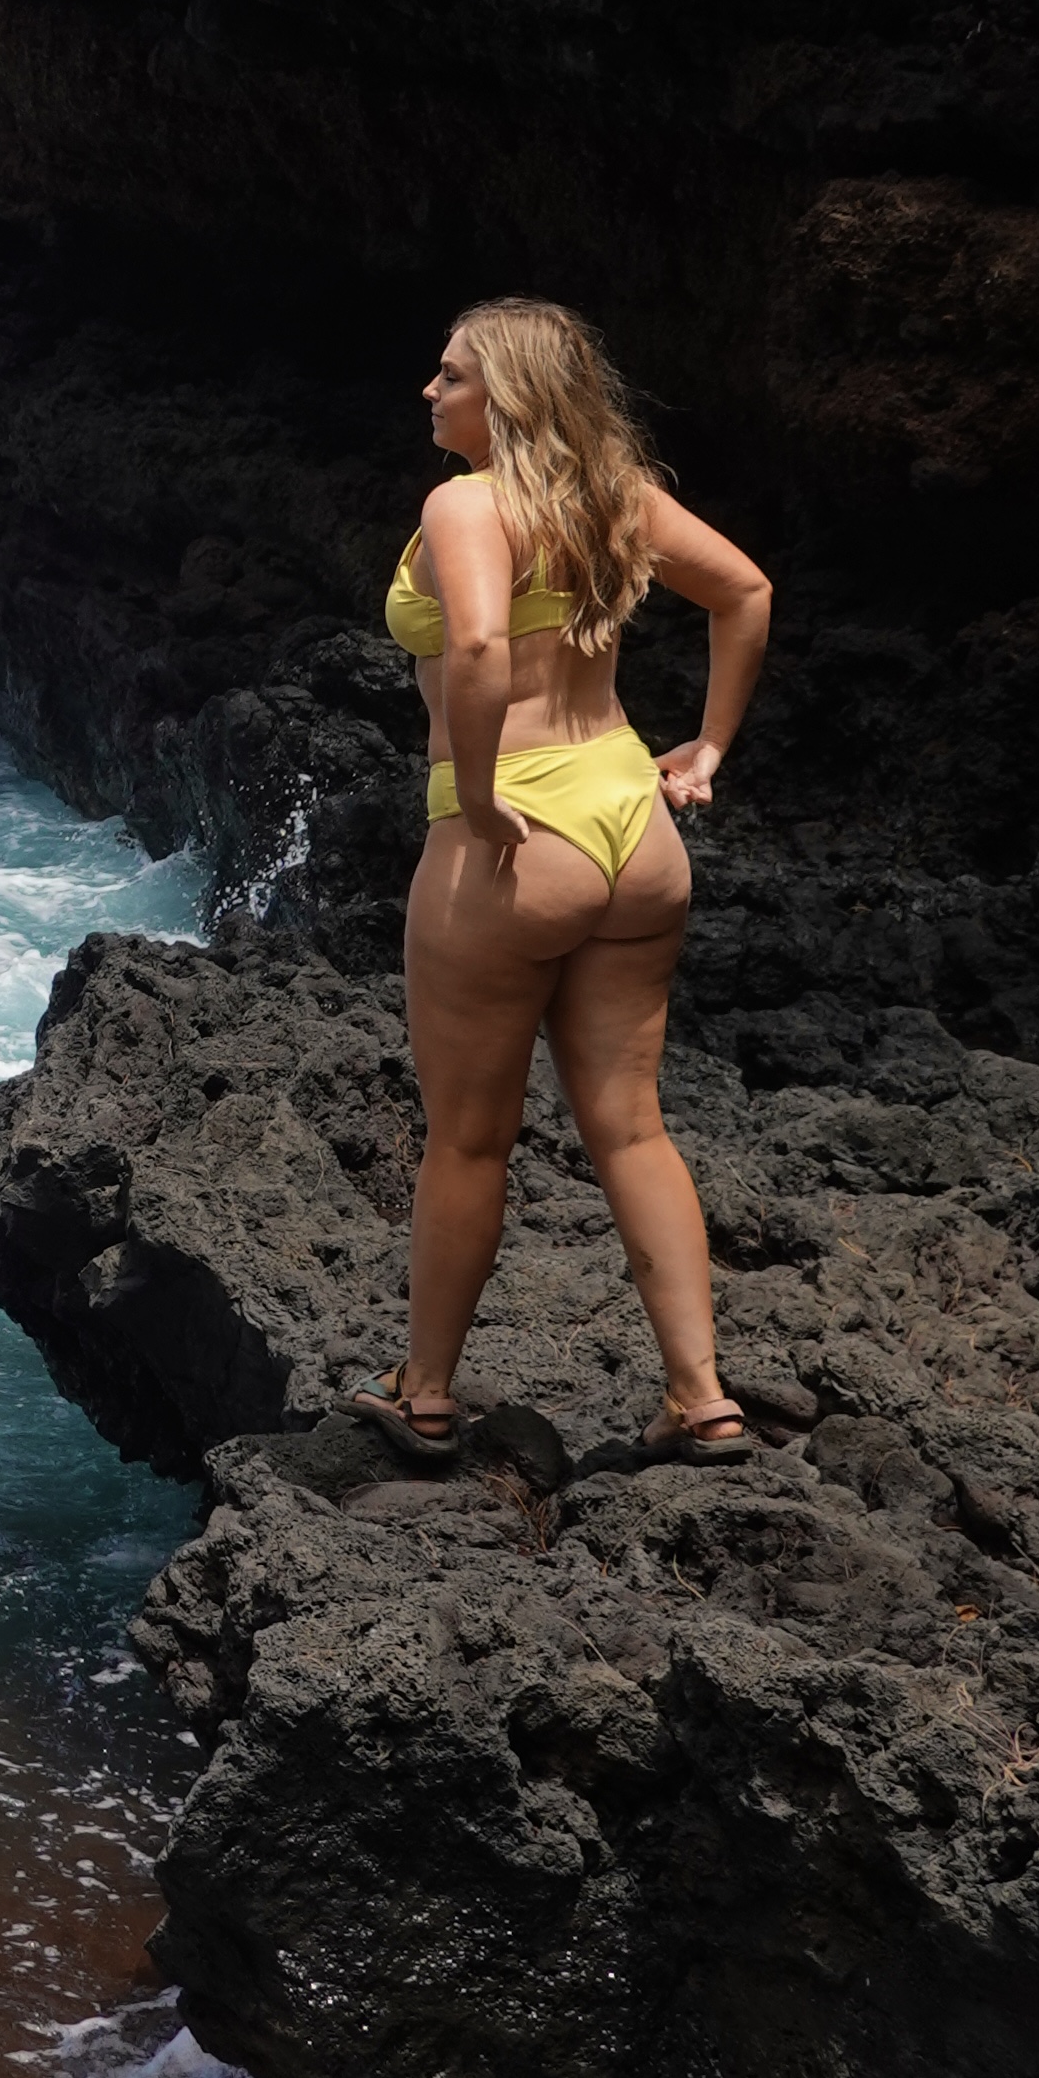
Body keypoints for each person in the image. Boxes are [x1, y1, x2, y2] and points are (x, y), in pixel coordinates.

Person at [355, 296, 772, 1472]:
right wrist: (709, 748)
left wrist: (480, 797)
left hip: (514, 837)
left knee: (470, 1140)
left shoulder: (464, 504)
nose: (429, 394)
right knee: (632, 1126)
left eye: (451, 378)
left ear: (509, 398)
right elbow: (747, 592)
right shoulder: (615, 499)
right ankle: (701, 1398)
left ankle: (424, 1392)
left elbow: (479, 648)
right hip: (636, 826)